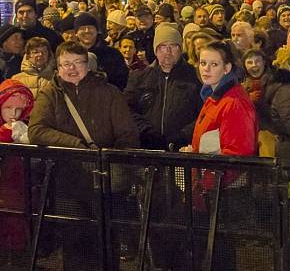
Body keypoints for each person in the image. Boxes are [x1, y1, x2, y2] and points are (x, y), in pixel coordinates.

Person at [28, 41, 139, 269]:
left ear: (87, 65)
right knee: (74, 243)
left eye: (77, 62)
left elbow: (127, 133)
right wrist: (75, 145)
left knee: (107, 242)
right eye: (65, 63)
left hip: (106, 183)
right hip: (69, 181)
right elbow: (37, 130)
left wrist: (112, 162)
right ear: (57, 67)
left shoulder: (109, 93)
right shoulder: (50, 94)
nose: (71, 68)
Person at [180, 40, 256, 270]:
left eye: (214, 64)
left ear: (227, 68)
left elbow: (238, 152)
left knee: (220, 253)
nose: (206, 69)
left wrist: (206, 184)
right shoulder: (213, 96)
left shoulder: (232, 102)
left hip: (221, 192)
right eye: (203, 63)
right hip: (211, 189)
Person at [124, 23, 201, 150]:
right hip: (147, 147)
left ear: (180, 49)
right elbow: (127, 108)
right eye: (162, 47)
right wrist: (145, 131)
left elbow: (202, 114)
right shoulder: (139, 77)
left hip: (183, 148)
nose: (168, 52)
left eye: (173, 46)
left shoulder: (195, 77)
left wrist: (183, 135)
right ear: (155, 50)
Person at [0, 80, 34, 261]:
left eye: (18, 109)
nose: (13, 114)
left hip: (16, 180)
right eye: (8, 108)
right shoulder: (9, 130)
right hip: (7, 178)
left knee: (16, 216)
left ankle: (17, 254)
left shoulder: (20, 127)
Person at [74, 12, 128, 91]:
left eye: (90, 27)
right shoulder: (70, 55)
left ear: (97, 31)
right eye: (82, 28)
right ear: (76, 33)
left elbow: (122, 82)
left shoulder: (112, 54)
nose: (87, 30)